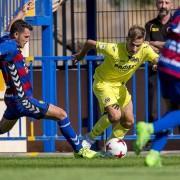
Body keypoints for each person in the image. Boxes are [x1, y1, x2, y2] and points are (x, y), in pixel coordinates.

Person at [0, 19, 102, 158]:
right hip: (23, 100)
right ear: (16, 34)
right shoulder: (11, 46)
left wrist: (22, 13)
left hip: (11, 99)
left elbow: (9, 28)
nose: (27, 40)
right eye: (26, 37)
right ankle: (81, 150)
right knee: (61, 114)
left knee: (1, 129)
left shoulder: (6, 39)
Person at [72, 25, 159, 149]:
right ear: (127, 39)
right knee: (115, 116)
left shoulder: (145, 49)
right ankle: (89, 138)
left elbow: (157, 59)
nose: (135, 49)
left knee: (128, 121)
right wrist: (81, 55)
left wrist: (157, 65)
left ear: (143, 42)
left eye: (138, 45)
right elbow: (90, 43)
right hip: (103, 83)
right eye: (132, 44)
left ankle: (111, 147)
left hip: (120, 87)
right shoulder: (114, 49)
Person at [134, 8, 180, 167]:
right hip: (177, 66)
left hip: (164, 61)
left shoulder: (178, 13)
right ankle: (149, 128)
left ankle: (153, 154)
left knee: (173, 110)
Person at [145, 0, 174, 122]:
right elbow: (145, 45)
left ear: (172, 5)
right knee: (152, 105)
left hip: (174, 70)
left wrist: (155, 43)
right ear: (156, 4)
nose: (163, 6)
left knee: (175, 105)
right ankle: (151, 137)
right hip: (155, 69)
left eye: (167, 3)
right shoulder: (150, 25)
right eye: (160, 2)